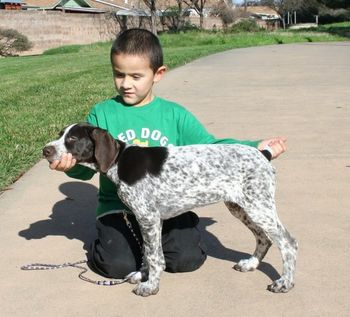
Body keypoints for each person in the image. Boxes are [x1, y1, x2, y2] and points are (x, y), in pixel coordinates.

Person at [49, 28, 286, 280]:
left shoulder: (174, 115)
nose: (126, 83)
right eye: (119, 74)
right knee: (117, 265)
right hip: (118, 208)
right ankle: (114, 242)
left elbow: (210, 146)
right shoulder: (102, 114)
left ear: (158, 74)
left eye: (136, 76)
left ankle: (165, 239)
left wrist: (254, 147)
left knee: (186, 259)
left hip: (166, 204)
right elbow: (88, 160)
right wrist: (70, 166)